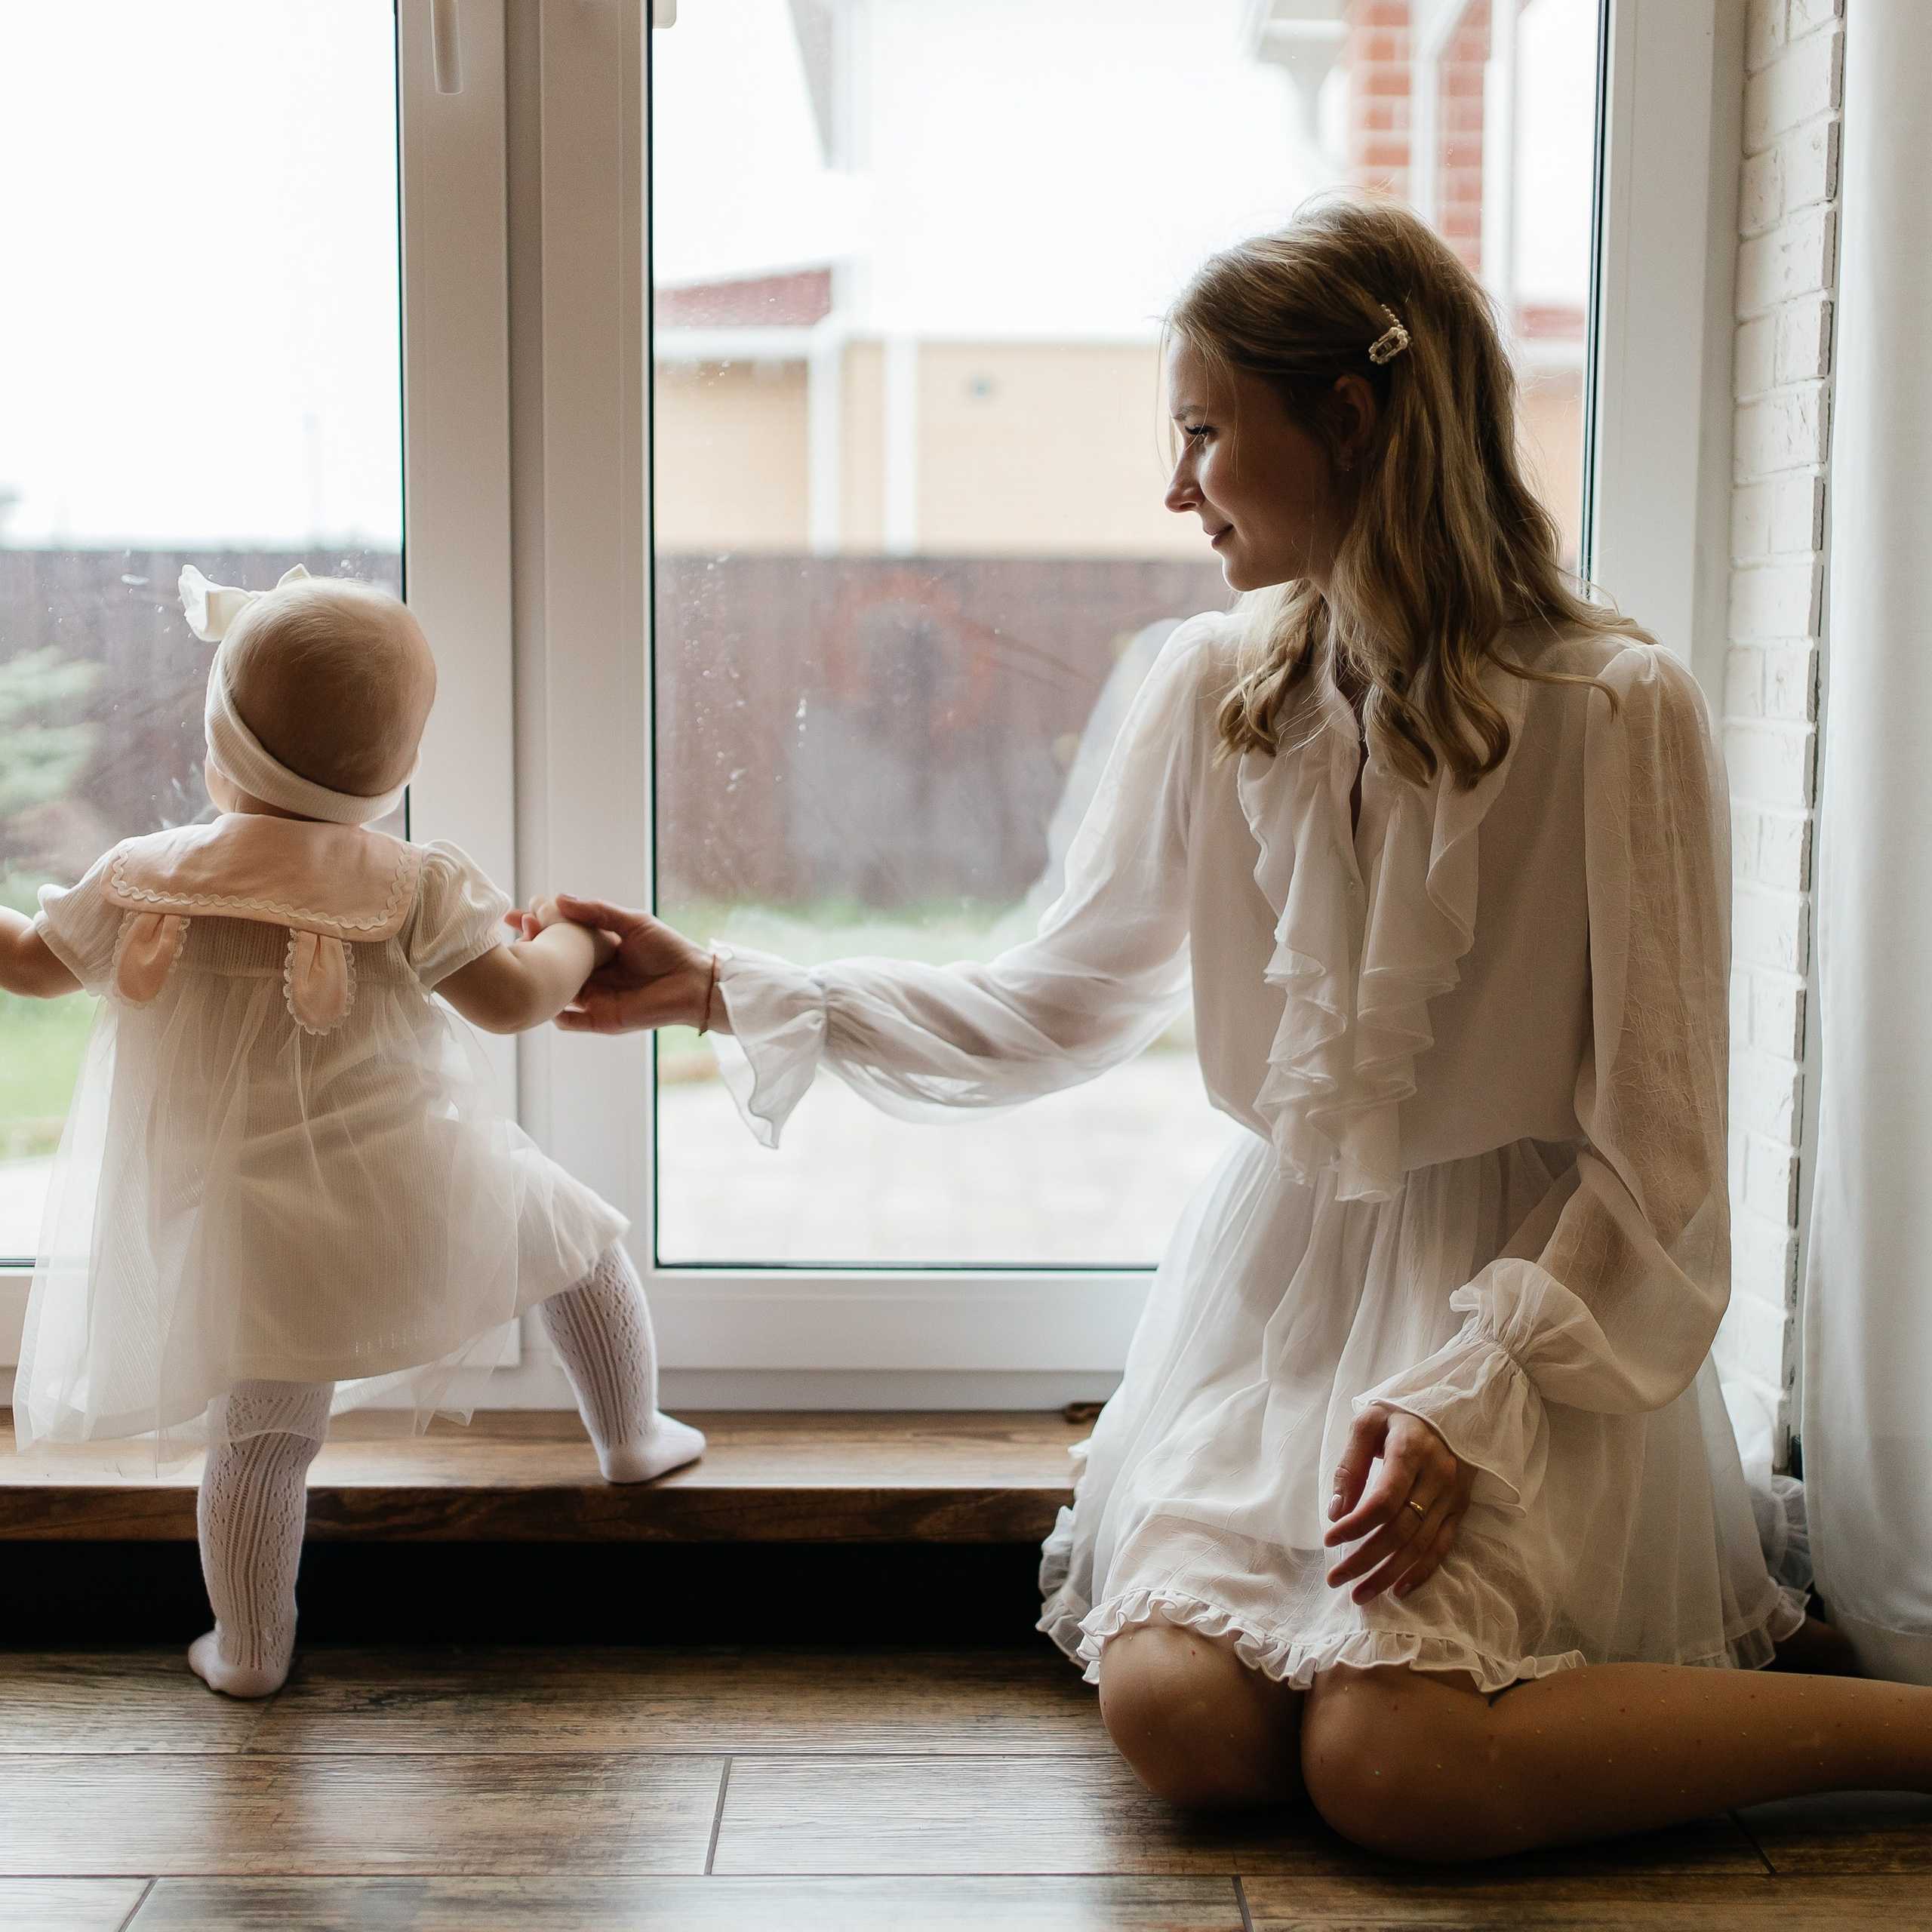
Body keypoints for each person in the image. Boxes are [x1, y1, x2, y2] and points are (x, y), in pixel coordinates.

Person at [538, 198, 1932, 1860]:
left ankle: (1906, 1732)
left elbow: (1659, 1152)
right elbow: (1054, 999)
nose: (1174, 483)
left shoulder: (1611, 709)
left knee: (1390, 1763)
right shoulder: (1212, 685)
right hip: (1277, 1288)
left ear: (1346, 419)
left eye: (1203, 430)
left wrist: (1465, 1396)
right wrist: (721, 981)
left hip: (1526, 1301)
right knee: (1184, 1721)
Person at [0, 567, 703, 1698]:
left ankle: (250, 1652)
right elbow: (519, 1001)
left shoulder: (142, 876)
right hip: (418, 1186)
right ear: (398, 773)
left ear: (219, 742)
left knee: (263, 1443)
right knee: (576, 1244)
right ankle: (632, 1436)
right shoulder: (410, 881)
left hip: (247, 1230)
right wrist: (576, 937)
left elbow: (30, 966)